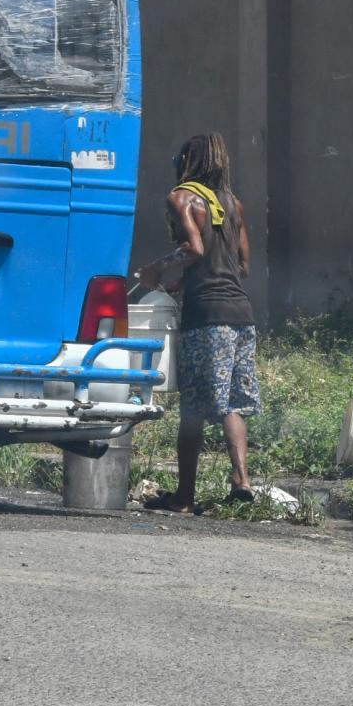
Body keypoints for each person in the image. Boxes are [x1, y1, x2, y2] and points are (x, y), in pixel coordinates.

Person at [135, 132, 258, 512]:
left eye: (179, 157)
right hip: (242, 315)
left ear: (189, 161)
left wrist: (154, 270)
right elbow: (242, 266)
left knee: (193, 408)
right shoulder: (232, 204)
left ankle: (184, 498)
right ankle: (241, 479)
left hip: (206, 318)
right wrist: (183, 280)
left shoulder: (181, 198)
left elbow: (194, 248)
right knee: (230, 403)